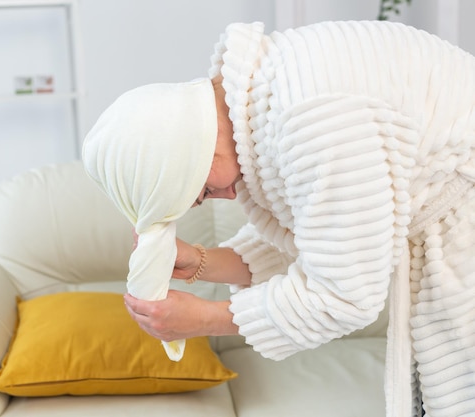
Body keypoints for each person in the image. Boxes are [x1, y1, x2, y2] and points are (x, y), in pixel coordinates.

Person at [82, 20, 475, 417]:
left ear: (186, 153)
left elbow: (342, 294)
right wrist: (200, 261)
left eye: (201, 191)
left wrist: (205, 318)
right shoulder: (261, 101)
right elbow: (318, 239)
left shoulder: (310, 118)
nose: (226, 195)